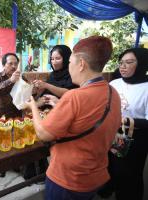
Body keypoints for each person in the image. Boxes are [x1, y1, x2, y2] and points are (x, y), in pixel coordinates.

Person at [25, 36, 121, 200]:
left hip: (68, 177)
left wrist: (33, 106)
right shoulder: (113, 92)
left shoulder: (75, 97)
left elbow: (43, 133)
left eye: (70, 62)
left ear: (81, 64)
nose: (68, 67)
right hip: (96, 174)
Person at [108, 48, 148, 200]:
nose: (122, 66)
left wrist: (125, 121)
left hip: (136, 140)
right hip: (112, 134)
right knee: (112, 169)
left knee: (130, 178)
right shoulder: (114, 83)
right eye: (121, 63)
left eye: (129, 62)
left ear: (142, 64)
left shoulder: (146, 88)